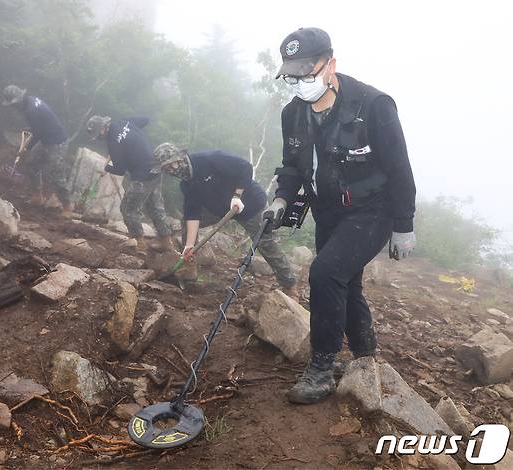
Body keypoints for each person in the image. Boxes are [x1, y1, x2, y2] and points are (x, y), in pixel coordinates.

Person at [263, 27, 416, 404]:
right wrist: (281, 199)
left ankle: (322, 366)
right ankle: (366, 355)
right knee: (345, 281)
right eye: (292, 75)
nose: (300, 82)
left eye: (307, 71)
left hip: (372, 209)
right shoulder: (293, 114)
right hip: (327, 210)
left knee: (325, 272)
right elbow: (293, 166)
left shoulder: (373, 105)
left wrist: (403, 225)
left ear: (330, 63)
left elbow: (399, 168)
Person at [152, 144, 297, 294]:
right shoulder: (186, 183)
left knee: (266, 244)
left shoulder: (209, 159)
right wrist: (189, 245)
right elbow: (192, 213)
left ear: (179, 158)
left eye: (170, 166)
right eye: (166, 169)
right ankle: (189, 267)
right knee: (186, 223)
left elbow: (245, 168)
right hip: (219, 210)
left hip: (251, 205)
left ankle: (290, 286)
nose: (170, 171)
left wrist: (237, 195)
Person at [86, 115, 174, 254]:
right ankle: (167, 242)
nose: (99, 138)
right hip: (156, 167)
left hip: (142, 176)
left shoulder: (113, 142)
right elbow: (145, 119)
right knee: (155, 206)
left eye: (98, 135)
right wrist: (132, 139)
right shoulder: (124, 121)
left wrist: (107, 167)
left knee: (128, 208)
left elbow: (120, 170)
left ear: (102, 129)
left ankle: (140, 244)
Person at [2, 85, 72, 217]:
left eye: (13, 104)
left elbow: (38, 133)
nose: (13, 107)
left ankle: (67, 206)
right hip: (46, 137)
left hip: (57, 141)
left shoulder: (30, 110)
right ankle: (37, 196)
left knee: (56, 174)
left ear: (18, 100)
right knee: (31, 163)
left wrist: (26, 149)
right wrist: (31, 127)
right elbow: (40, 124)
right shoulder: (31, 100)